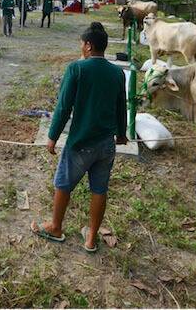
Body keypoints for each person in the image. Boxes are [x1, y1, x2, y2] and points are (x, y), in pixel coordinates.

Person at [32, 22, 126, 251]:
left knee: (63, 183)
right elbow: (121, 107)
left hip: (81, 143)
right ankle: (91, 238)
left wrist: (52, 135)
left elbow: (64, 106)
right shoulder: (116, 73)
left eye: (82, 44)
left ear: (88, 45)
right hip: (106, 145)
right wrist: (122, 134)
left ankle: (55, 226)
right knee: (99, 189)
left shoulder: (77, 69)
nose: (81, 47)